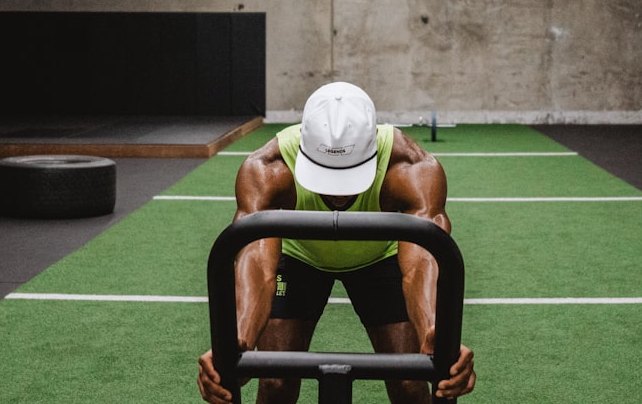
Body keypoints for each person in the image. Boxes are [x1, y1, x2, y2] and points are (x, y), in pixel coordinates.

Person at [197, 81, 476, 404]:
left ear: (373, 148)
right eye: (327, 176)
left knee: (410, 381)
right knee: (274, 381)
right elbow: (256, 261)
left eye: (350, 176)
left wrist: (436, 332)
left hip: (380, 256)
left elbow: (423, 261)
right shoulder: (268, 168)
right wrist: (238, 342)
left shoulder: (411, 167)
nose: (339, 194)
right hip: (300, 255)